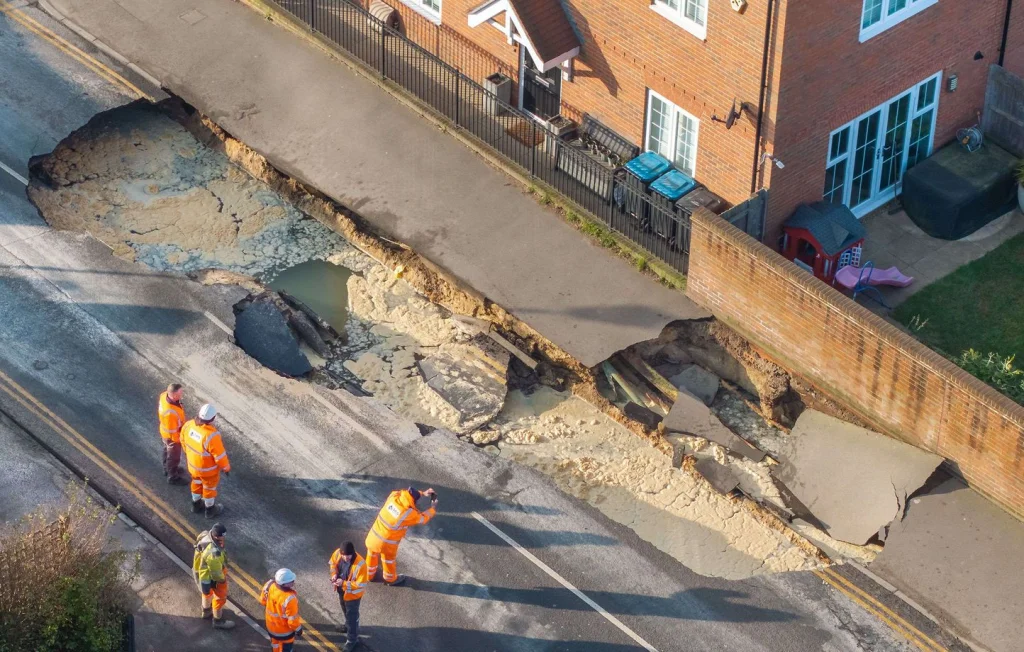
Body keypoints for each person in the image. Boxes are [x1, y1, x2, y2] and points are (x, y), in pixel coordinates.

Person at [364, 486, 437, 587]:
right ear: (413, 501)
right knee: (388, 561)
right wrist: (432, 508)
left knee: (371, 555)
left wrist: (421, 493)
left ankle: (369, 575)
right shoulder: (407, 513)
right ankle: (390, 579)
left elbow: (401, 493)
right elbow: (422, 518)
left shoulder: (393, 497)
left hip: (373, 537)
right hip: (387, 544)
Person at [181, 403, 231, 518]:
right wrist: (226, 468)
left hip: (193, 467)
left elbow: (183, 441)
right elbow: (220, 456)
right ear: (212, 418)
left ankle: (196, 504)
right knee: (209, 489)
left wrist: (189, 454)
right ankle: (210, 510)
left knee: (196, 483)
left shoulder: (188, 425)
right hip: (208, 471)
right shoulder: (211, 435)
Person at [192, 523, 235, 630]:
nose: (224, 537)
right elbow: (216, 574)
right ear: (217, 536)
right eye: (222, 536)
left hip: (202, 575)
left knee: (206, 594)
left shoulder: (205, 535)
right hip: (211, 578)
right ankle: (218, 621)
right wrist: (222, 580)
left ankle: (206, 611)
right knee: (219, 598)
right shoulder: (214, 554)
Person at [329, 541, 367, 651]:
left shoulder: (361, 564)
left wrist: (344, 583)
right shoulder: (337, 553)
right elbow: (332, 564)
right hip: (342, 591)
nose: (346, 558)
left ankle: (352, 640)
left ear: (353, 553)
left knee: (352, 617)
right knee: (345, 610)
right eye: (344, 555)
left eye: (349, 555)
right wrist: (334, 574)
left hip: (353, 596)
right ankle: (347, 626)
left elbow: (360, 584)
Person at [260, 568, 303, 652]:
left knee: (275, 644)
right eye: (291, 581)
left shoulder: (269, 585)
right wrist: (299, 629)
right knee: (286, 649)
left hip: (271, 627)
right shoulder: (290, 599)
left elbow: (262, 600)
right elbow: (292, 621)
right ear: (284, 584)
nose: (293, 582)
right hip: (285, 633)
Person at [157, 383, 188, 485]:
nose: (182, 394)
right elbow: (172, 432)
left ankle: (167, 468)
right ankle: (172, 476)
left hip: (165, 432)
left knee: (167, 450)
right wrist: (179, 440)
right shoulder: (170, 413)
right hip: (172, 437)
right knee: (174, 456)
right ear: (174, 395)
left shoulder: (164, 395)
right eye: (180, 393)